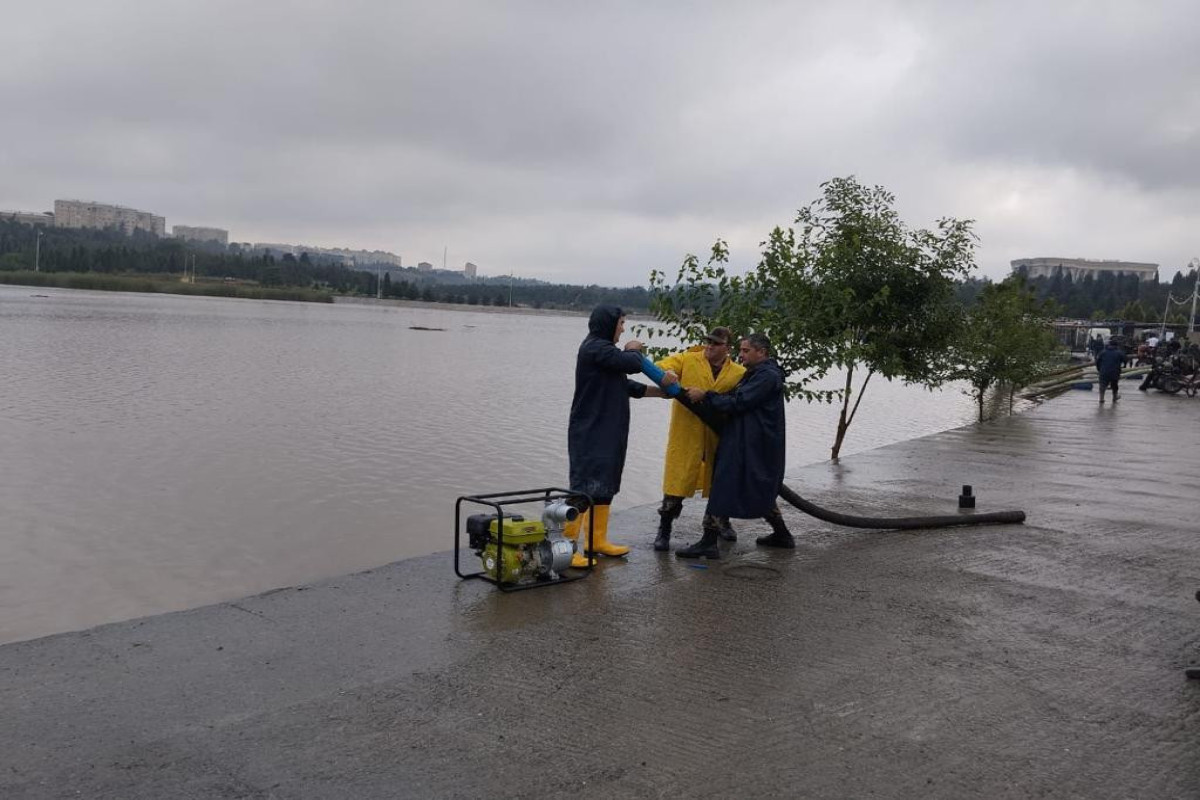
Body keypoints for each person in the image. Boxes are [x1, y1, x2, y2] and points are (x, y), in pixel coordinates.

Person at [675, 333, 794, 559]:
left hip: (752, 444)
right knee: (757, 488)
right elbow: (735, 397)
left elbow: (739, 402)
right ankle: (782, 534)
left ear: (762, 352)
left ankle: (709, 542)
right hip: (749, 442)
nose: (740, 355)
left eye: (746, 351)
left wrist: (706, 395)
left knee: (723, 485)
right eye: (740, 350)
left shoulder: (766, 377)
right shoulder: (757, 374)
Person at [562, 305, 663, 567]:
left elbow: (623, 383)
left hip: (610, 429)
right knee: (584, 488)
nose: (623, 328)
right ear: (607, 324)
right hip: (590, 430)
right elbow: (630, 363)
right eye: (620, 323)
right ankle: (565, 548)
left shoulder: (606, 353)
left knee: (605, 485)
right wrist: (634, 348)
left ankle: (596, 541)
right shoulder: (595, 348)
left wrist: (659, 392)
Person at [651, 327, 746, 552]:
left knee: (721, 483)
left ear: (727, 348)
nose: (709, 346)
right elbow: (662, 366)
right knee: (677, 482)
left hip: (717, 437)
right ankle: (664, 530)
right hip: (687, 434)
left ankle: (721, 522)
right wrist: (669, 375)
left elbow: (740, 400)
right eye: (708, 342)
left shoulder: (738, 372)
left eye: (715, 344)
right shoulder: (688, 359)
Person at [1095, 337, 1123, 404]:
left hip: (1104, 371)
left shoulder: (1103, 352)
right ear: (1117, 346)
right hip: (1115, 372)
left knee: (1102, 385)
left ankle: (1101, 398)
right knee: (1114, 385)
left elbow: (1097, 362)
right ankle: (1114, 397)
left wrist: (1099, 369)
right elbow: (1125, 359)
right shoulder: (1119, 353)